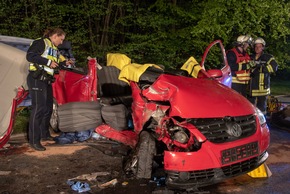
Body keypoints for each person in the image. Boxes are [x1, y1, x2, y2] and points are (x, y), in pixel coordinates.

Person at [26, 27, 72, 151]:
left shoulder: (54, 49)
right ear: (55, 36)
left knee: (47, 109)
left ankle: (45, 134)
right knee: (38, 109)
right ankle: (34, 141)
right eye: (61, 39)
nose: (62, 42)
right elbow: (30, 56)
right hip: (37, 79)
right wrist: (47, 62)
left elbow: (54, 64)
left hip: (46, 80)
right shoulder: (41, 42)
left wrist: (64, 63)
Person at [248, 37, 278, 115]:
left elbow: (274, 67)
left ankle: (263, 123)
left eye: (259, 46)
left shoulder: (268, 57)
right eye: (256, 46)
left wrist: (261, 69)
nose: (257, 48)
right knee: (250, 107)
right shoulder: (250, 57)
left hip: (262, 87)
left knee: (261, 108)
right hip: (251, 87)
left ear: (263, 47)